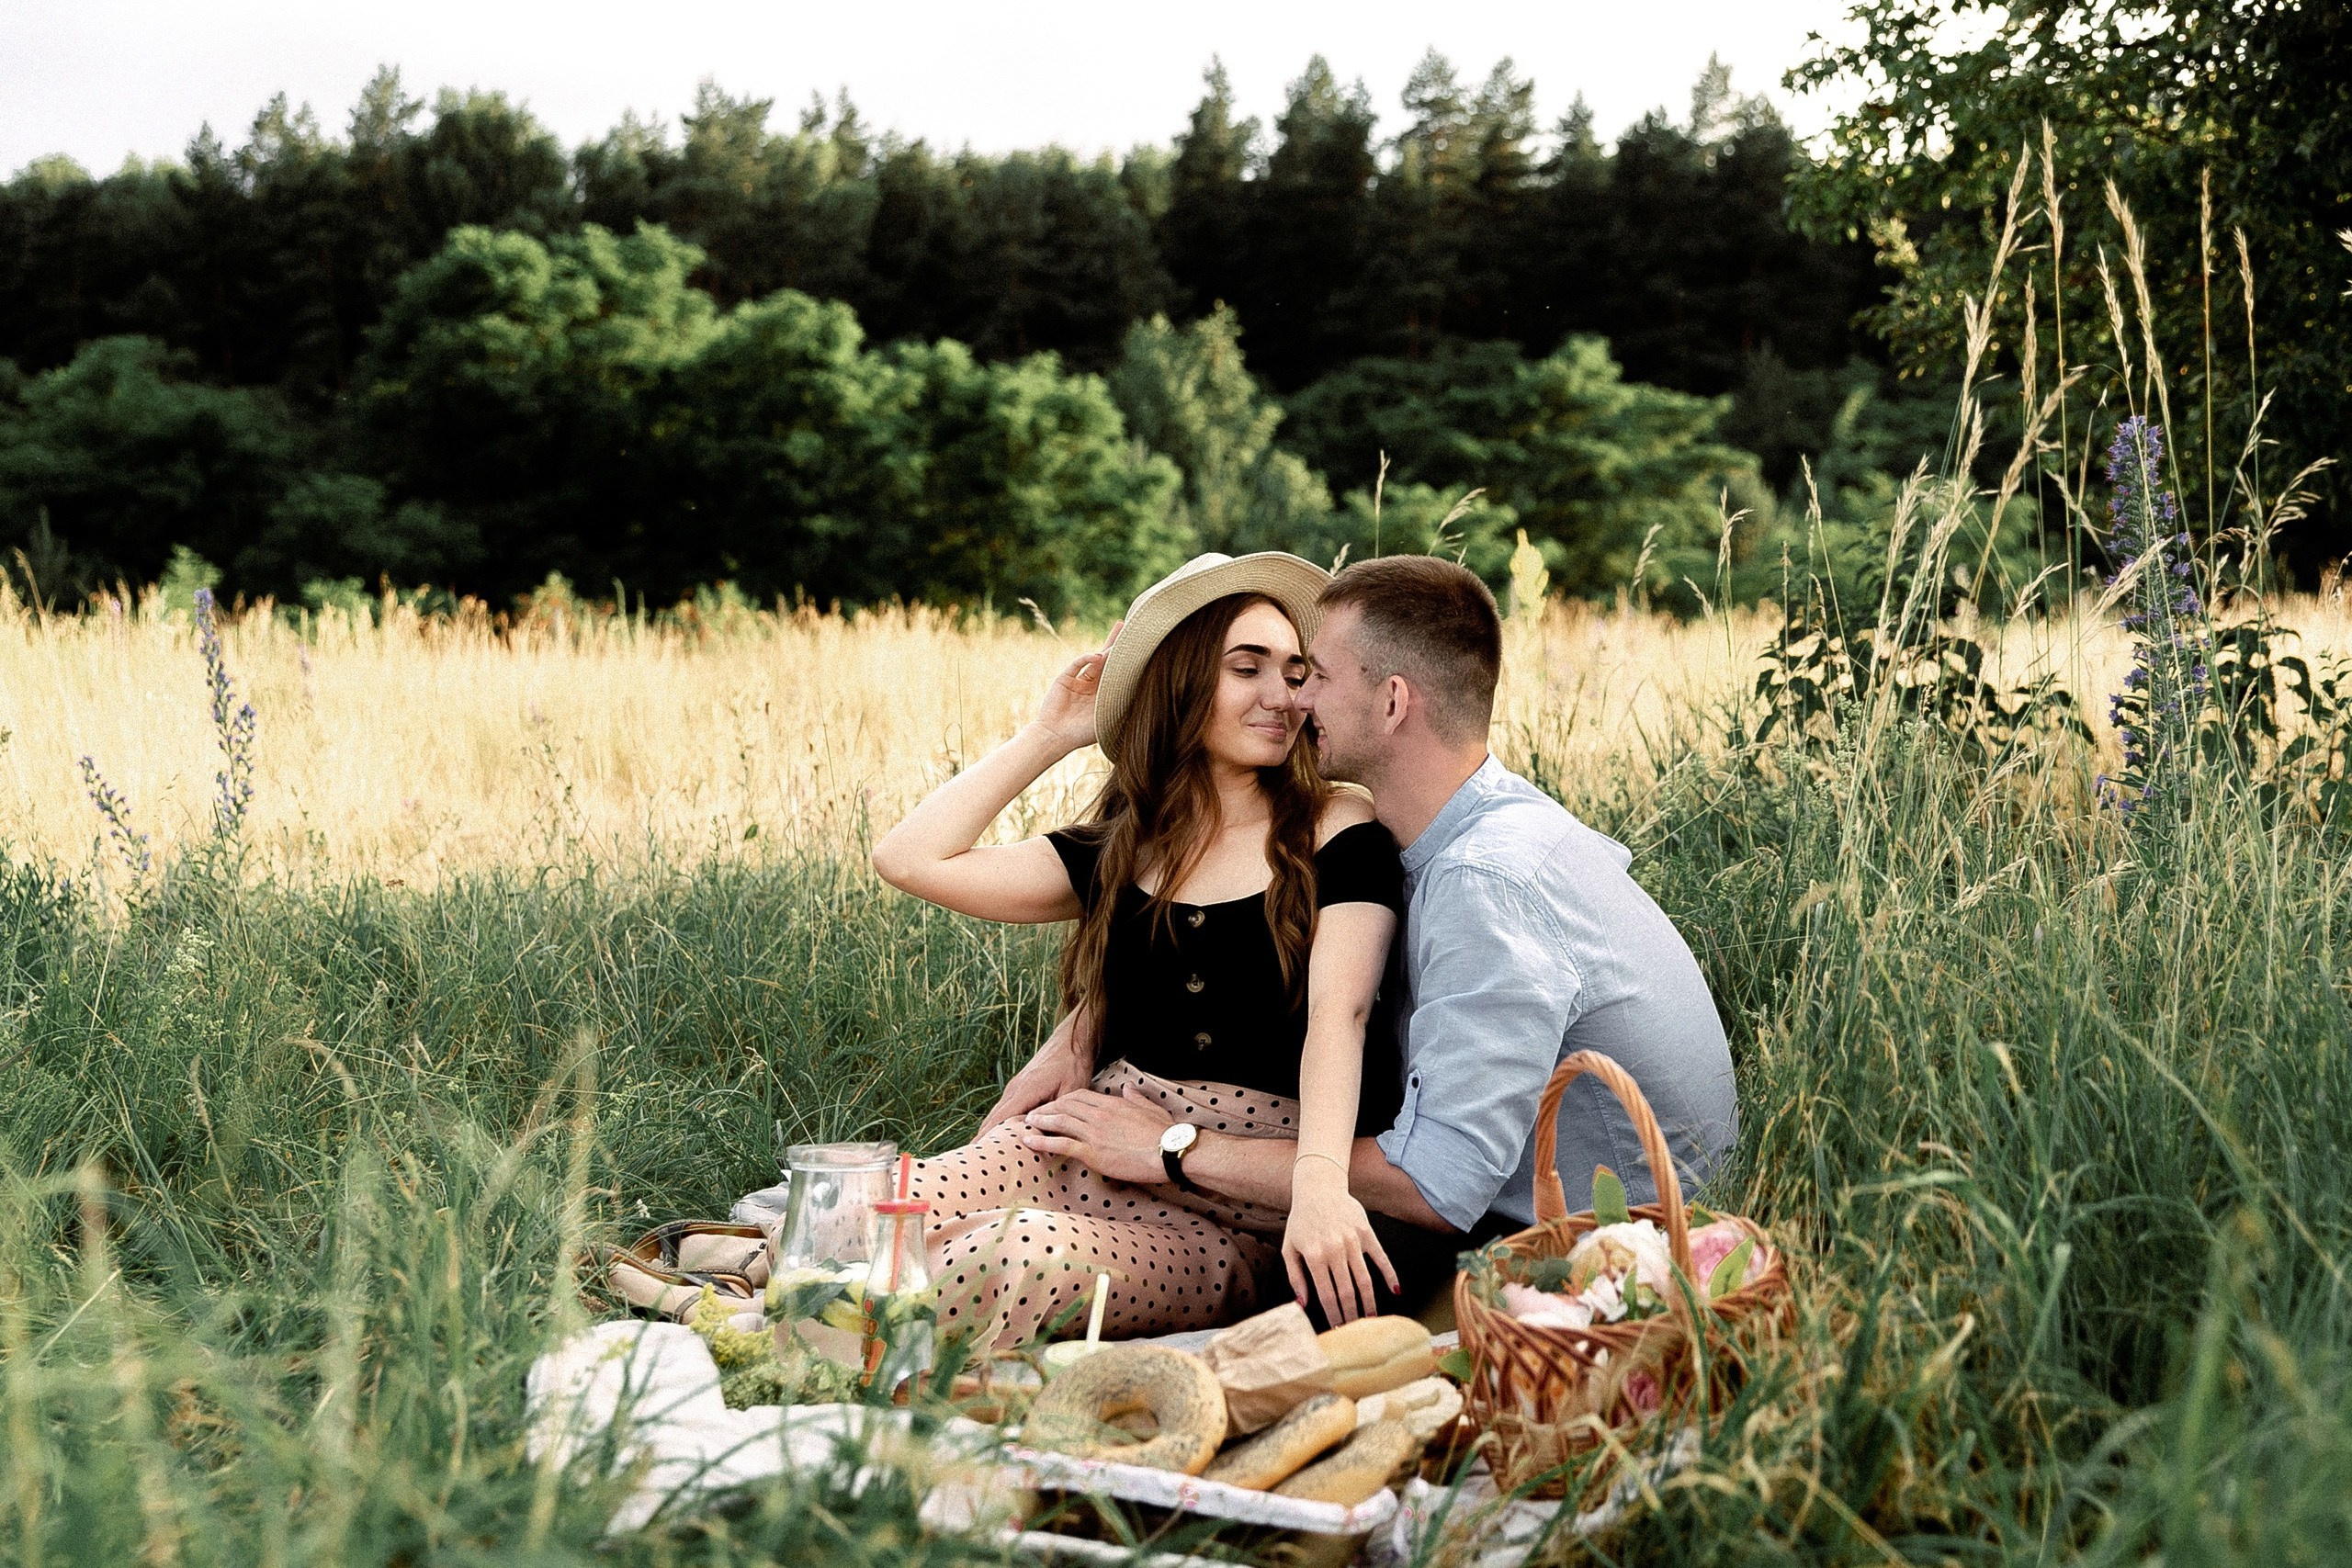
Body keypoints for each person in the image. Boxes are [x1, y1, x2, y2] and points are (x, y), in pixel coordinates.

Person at [1009, 555, 1738, 1315]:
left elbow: (1437, 1182)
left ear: (1392, 702)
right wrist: (1087, 1024)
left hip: (1614, 1253)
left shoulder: (1482, 881)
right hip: (1533, 1191)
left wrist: (1175, 1149)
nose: (1295, 697)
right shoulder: (1466, 825)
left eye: (1315, 674)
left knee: (1285, 1312)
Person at [868, 551, 1409, 1344]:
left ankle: (823, 1317)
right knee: (873, 1205)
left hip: (1229, 1204)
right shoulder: (1127, 848)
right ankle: (797, 1302)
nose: (1280, 697)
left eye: (1295, 672)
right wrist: (1049, 734)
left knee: (1011, 1256)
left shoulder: (1337, 826)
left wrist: (1321, 1184)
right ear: (1185, 679)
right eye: (1246, 667)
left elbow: (1342, 1012)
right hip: (1088, 1143)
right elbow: (910, 859)